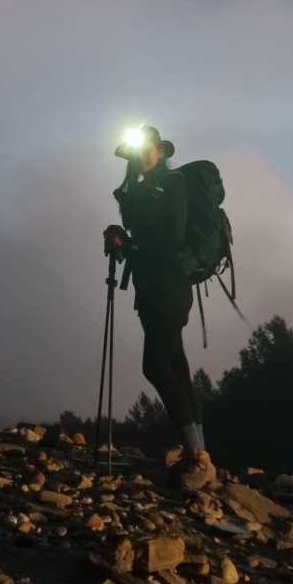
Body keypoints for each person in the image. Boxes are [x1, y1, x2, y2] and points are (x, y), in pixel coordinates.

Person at [112, 127, 215, 489]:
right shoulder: (136, 191)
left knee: (155, 366)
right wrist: (123, 243)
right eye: (134, 152)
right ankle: (199, 453)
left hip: (171, 286)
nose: (140, 156)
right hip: (151, 289)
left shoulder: (173, 183)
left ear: (159, 150)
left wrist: (137, 247)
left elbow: (173, 235)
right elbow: (143, 238)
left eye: (146, 149)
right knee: (177, 366)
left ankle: (198, 457)